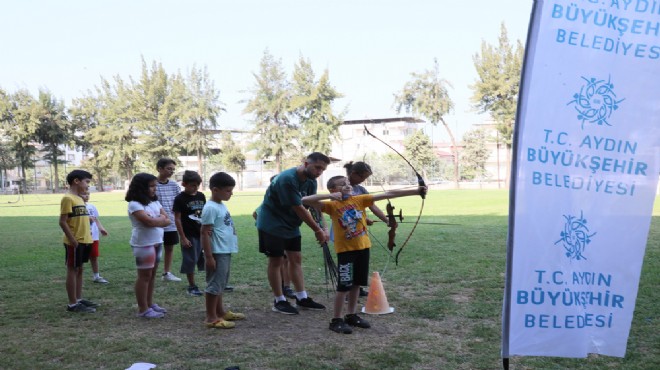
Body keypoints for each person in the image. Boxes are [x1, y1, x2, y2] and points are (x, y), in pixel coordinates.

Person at [302, 175, 426, 334]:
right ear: (333, 190)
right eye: (342, 185)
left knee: (356, 284)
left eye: (348, 183)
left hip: (363, 248)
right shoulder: (331, 206)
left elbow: (388, 194)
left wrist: (417, 191)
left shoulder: (360, 200)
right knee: (343, 287)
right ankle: (336, 320)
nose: (347, 186)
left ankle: (351, 315)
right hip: (346, 251)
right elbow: (305, 200)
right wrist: (329, 196)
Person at [256, 152, 332, 315]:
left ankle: (301, 297)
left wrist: (324, 228)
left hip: (291, 225)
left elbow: (313, 204)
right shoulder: (287, 179)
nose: (319, 172)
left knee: (295, 259)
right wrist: (317, 230)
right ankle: (279, 300)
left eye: (323, 170)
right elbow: (299, 208)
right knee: (276, 261)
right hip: (272, 224)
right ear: (306, 163)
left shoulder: (311, 181)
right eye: (317, 167)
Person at [201, 172, 245, 328]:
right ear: (215, 189)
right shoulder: (211, 207)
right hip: (217, 252)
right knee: (214, 284)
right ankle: (211, 318)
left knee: (220, 283)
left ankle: (220, 312)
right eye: (228, 190)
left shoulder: (220, 204)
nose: (231, 193)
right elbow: (205, 232)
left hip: (224, 250)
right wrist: (209, 256)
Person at [343, 161, 393, 297]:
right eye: (363, 178)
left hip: (359, 232)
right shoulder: (341, 187)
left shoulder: (361, 189)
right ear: (353, 174)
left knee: (359, 260)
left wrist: (387, 220)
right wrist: (363, 219)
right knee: (348, 261)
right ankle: (346, 290)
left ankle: (356, 288)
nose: (364, 181)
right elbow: (343, 211)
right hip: (345, 231)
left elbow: (372, 206)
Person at [126, 173, 171, 319]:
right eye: (151, 186)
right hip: (143, 244)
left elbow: (167, 220)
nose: (154, 189)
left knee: (151, 276)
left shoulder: (154, 202)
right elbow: (149, 222)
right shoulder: (134, 204)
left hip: (157, 242)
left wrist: (155, 219)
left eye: (155, 186)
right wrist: (158, 219)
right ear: (141, 187)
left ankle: (150, 304)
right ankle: (143, 309)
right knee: (144, 276)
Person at [59, 170, 98, 313]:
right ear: (76, 181)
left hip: (85, 240)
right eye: (87, 182)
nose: (88, 185)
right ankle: (72, 304)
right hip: (74, 241)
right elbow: (62, 222)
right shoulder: (68, 198)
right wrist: (72, 239)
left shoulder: (80, 199)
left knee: (80, 269)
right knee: (72, 269)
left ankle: (79, 299)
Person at [173, 170, 206, 297]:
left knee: (204, 258)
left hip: (202, 233)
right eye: (192, 185)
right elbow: (177, 218)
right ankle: (192, 286)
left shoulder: (201, 196)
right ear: (184, 184)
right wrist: (183, 237)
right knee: (190, 260)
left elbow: (205, 214)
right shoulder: (179, 198)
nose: (195, 188)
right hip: (189, 235)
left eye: (197, 185)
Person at [253, 203, 295, 299]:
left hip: (286, 232)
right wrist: (266, 226)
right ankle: (281, 286)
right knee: (279, 259)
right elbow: (255, 213)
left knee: (286, 259)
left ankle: (286, 286)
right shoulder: (272, 200)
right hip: (274, 233)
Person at [155, 158, 182, 282]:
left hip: (171, 222)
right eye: (169, 168)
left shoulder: (174, 185)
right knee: (155, 248)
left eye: (173, 169)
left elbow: (179, 201)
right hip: (156, 222)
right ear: (159, 168)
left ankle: (167, 273)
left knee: (169, 247)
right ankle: (150, 272)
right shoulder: (152, 184)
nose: (171, 171)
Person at [81, 191, 110, 284]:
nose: (87, 196)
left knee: (94, 256)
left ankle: (96, 276)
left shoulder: (91, 206)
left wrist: (102, 229)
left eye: (88, 194)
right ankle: (78, 276)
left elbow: (96, 219)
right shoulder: (77, 208)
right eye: (84, 194)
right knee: (80, 257)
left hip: (94, 237)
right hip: (82, 237)